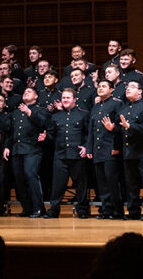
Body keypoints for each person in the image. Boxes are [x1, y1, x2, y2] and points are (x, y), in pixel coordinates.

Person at [45, 89, 90, 218]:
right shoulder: (55, 116)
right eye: (63, 98)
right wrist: (45, 137)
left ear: (74, 99)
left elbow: (88, 134)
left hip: (77, 155)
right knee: (58, 185)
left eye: (68, 98)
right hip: (60, 155)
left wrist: (86, 147)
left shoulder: (83, 114)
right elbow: (51, 135)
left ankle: (82, 209)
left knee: (81, 184)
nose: (65, 100)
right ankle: (54, 209)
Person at [3, 87, 48, 217]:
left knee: (31, 175)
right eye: (24, 91)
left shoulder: (40, 110)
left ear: (36, 96)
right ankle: (27, 209)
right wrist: (7, 146)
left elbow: (43, 124)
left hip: (32, 148)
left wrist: (29, 112)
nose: (25, 93)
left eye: (29, 92)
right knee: (19, 179)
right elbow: (11, 132)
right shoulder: (16, 112)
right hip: (17, 149)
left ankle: (39, 209)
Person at [119, 80, 143, 220]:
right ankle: (133, 212)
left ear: (140, 91)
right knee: (131, 184)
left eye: (132, 87)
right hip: (128, 151)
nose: (128, 89)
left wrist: (130, 126)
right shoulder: (123, 109)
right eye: (127, 86)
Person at [88, 79, 123, 219]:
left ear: (111, 89)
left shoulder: (117, 103)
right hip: (98, 149)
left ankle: (117, 211)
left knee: (112, 181)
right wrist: (89, 149)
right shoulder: (96, 107)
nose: (100, 88)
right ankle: (106, 210)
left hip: (110, 148)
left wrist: (113, 130)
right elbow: (91, 130)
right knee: (101, 183)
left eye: (104, 86)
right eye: (99, 86)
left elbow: (122, 126)